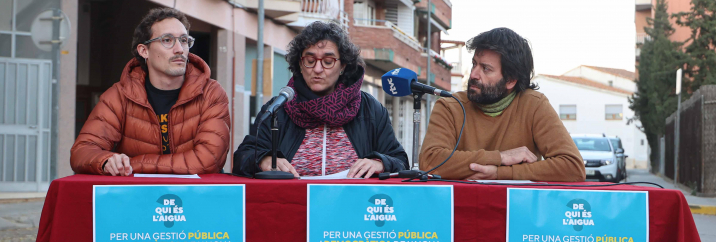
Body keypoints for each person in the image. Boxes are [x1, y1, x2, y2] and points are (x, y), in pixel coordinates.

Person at [233, 21, 408, 178]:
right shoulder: (279, 108)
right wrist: (263, 160)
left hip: (354, 207)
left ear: (343, 66)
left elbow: (400, 160)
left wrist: (380, 163)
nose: (317, 69)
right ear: (300, 65)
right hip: (293, 205)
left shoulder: (371, 110)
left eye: (328, 61)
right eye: (310, 60)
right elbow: (243, 156)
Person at [70, 8, 231, 176]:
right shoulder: (119, 95)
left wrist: (129, 164)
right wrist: (105, 161)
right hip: (138, 197)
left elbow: (207, 159)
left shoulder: (211, 93)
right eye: (167, 40)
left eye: (184, 40)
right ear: (144, 51)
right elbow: (82, 151)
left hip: (196, 196)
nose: (179, 49)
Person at [419, 28, 584, 181]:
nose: (473, 74)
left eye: (486, 69)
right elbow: (430, 162)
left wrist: (500, 173)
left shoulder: (534, 105)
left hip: (517, 208)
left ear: (511, 80)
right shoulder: (450, 106)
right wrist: (501, 157)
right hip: (460, 206)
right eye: (474, 64)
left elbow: (573, 166)